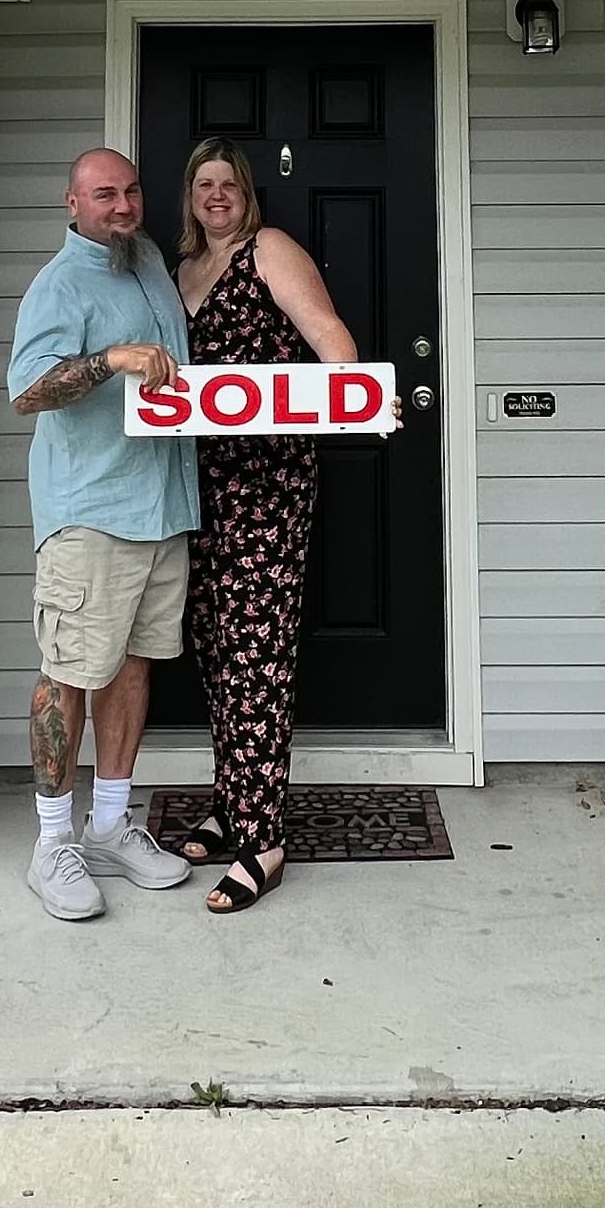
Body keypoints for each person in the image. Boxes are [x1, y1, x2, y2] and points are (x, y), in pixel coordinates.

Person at [3, 147, 201, 921]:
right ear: (72, 204)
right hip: (90, 515)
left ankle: (112, 824)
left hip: (160, 505)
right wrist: (110, 358)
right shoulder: (60, 284)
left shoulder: (147, 258)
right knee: (69, 672)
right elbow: (26, 391)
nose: (122, 206)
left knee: (131, 668)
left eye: (130, 192)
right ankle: (53, 844)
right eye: (104, 195)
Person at [166, 136, 358, 914]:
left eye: (228, 184)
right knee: (216, 647)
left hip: (268, 484)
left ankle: (265, 838)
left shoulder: (268, 250)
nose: (216, 195)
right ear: (190, 196)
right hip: (196, 486)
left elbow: (330, 339)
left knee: (258, 653)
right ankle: (231, 802)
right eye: (203, 184)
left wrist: (355, 399)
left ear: (248, 193)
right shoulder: (179, 272)